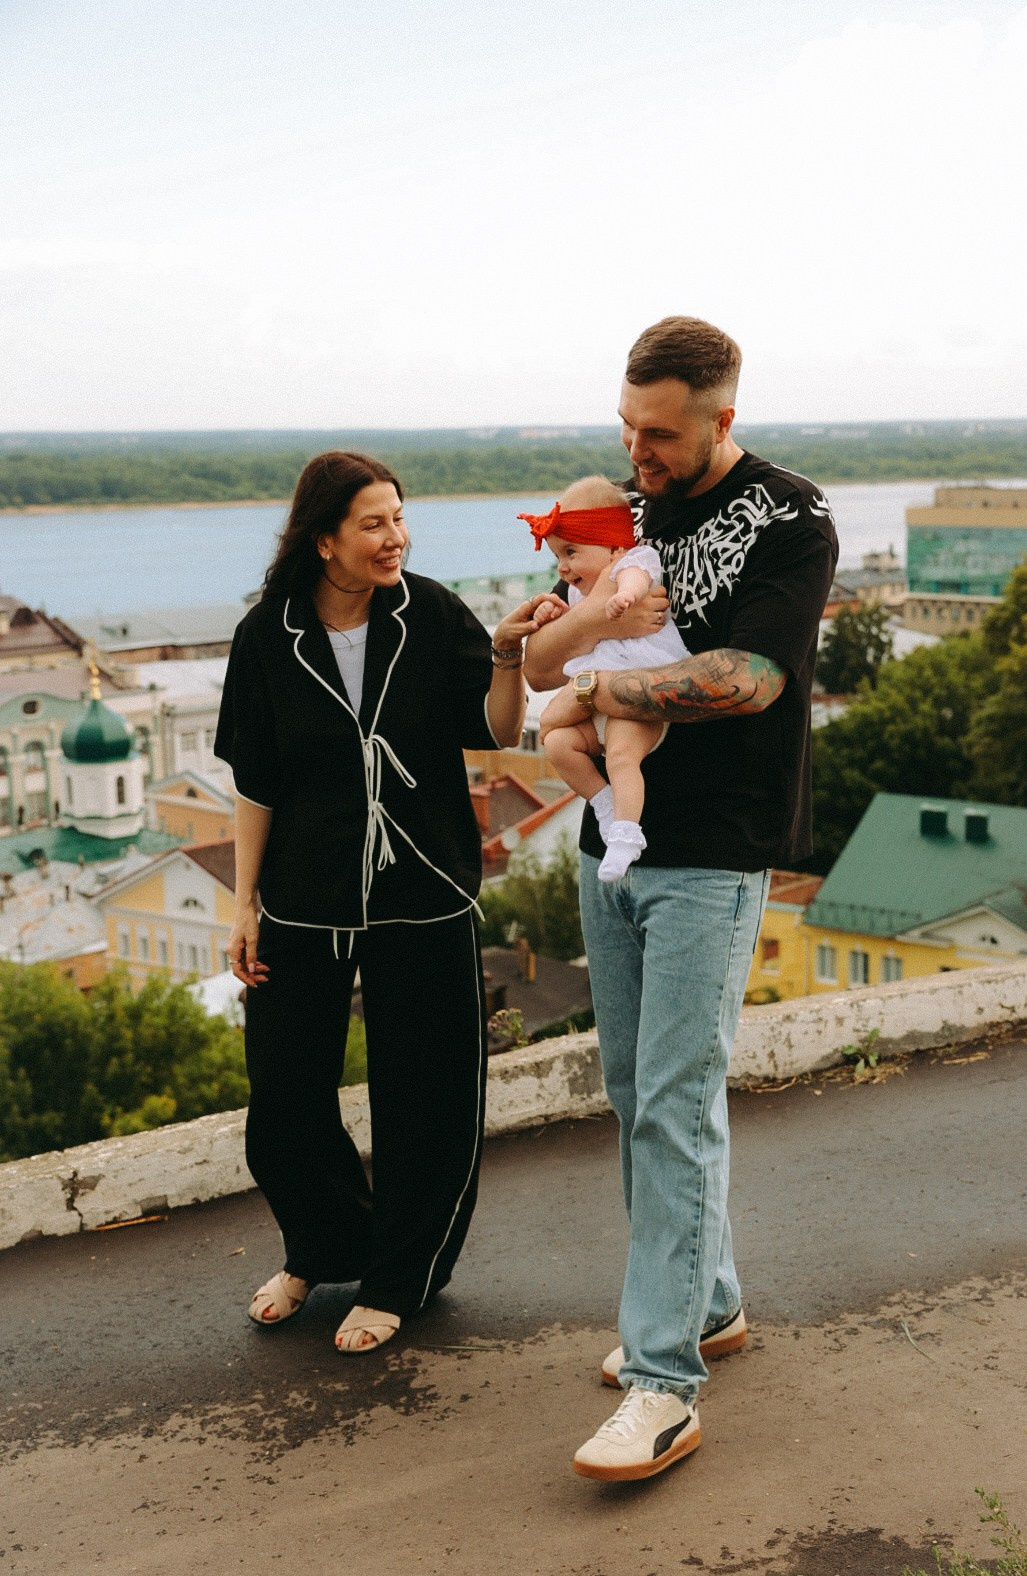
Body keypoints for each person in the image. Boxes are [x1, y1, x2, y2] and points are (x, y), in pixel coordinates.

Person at [525, 317, 838, 1481]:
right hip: (616, 840)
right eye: (626, 426)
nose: (638, 451)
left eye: (658, 433)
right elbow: (551, 655)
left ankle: (664, 1383)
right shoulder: (626, 508)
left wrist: (611, 671)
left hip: (714, 848)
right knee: (632, 1090)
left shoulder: (789, 516)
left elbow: (750, 678)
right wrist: (562, 646)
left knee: (673, 1096)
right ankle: (706, 1305)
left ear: (723, 419)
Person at [215, 450, 556, 1355]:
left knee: (429, 1097)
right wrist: (244, 904)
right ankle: (324, 1246)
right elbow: (256, 782)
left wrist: (507, 657)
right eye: (372, 523)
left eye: (399, 518)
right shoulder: (267, 637)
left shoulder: (433, 612)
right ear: (324, 539)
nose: (394, 536)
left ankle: (400, 1275)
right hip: (303, 898)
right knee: (284, 1098)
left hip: (424, 890)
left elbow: (493, 733)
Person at [517, 476, 690, 881]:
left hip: (636, 700)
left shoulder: (631, 561)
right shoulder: (580, 590)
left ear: (612, 545)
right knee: (558, 743)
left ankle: (628, 834)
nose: (563, 567)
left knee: (621, 757)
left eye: (571, 552)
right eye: (559, 555)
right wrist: (551, 616)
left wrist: (623, 596)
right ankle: (603, 802)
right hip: (594, 706)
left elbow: (635, 577)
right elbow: (545, 654)